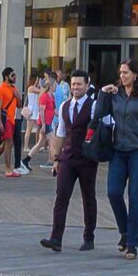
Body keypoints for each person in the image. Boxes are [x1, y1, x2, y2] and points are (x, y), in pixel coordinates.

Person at [93, 61, 138, 258]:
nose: (122, 76)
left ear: (135, 74)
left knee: (135, 196)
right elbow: (99, 114)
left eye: (126, 73)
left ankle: (132, 243)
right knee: (113, 192)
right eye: (121, 73)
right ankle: (125, 231)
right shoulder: (115, 93)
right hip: (118, 150)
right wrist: (103, 93)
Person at [40, 72, 102, 250]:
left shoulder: (93, 106)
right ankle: (56, 238)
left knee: (88, 197)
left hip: (87, 159)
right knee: (61, 196)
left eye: (79, 84)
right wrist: (56, 158)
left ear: (87, 84)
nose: (75, 88)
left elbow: (104, 127)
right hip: (67, 158)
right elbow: (60, 133)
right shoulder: (65, 106)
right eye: (73, 84)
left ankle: (89, 237)